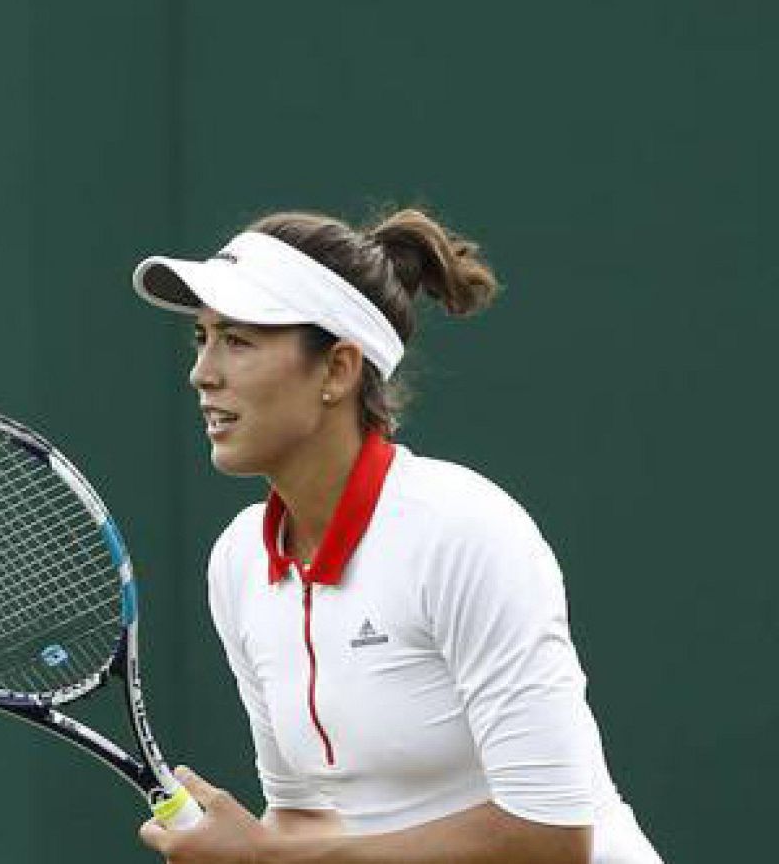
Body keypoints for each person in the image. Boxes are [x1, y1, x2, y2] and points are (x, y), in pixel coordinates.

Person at [130, 210, 662, 863]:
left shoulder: (464, 532)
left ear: (337, 370)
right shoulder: (240, 562)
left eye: (238, 341)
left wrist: (262, 859)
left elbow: (551, 839)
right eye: (202, 338)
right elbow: (305, 820)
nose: (203, 373)